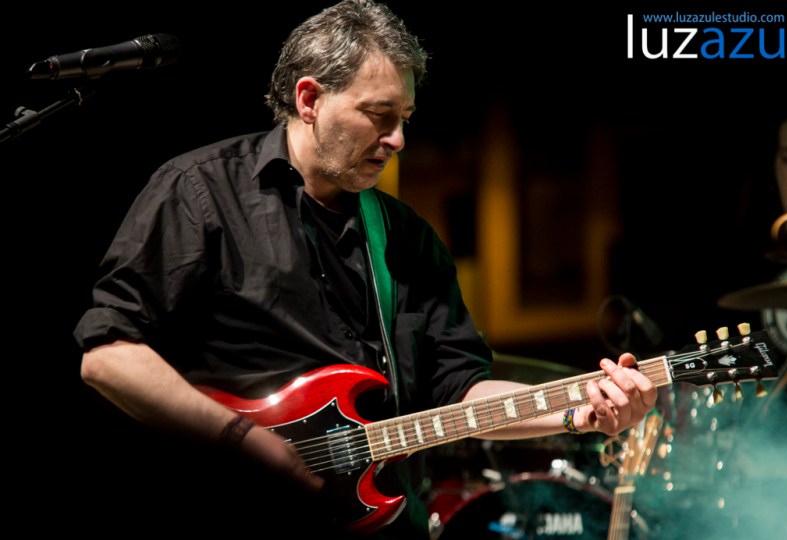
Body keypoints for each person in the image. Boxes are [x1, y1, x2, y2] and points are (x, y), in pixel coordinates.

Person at [74, 1, 658, 538]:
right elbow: (109, 356)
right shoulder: (199, 193)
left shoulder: (408, 239)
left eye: (404, 116)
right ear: (308, 100)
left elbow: (461, 391)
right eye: (379, 115)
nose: (398, 138)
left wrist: (579, 407)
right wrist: (239, 436)